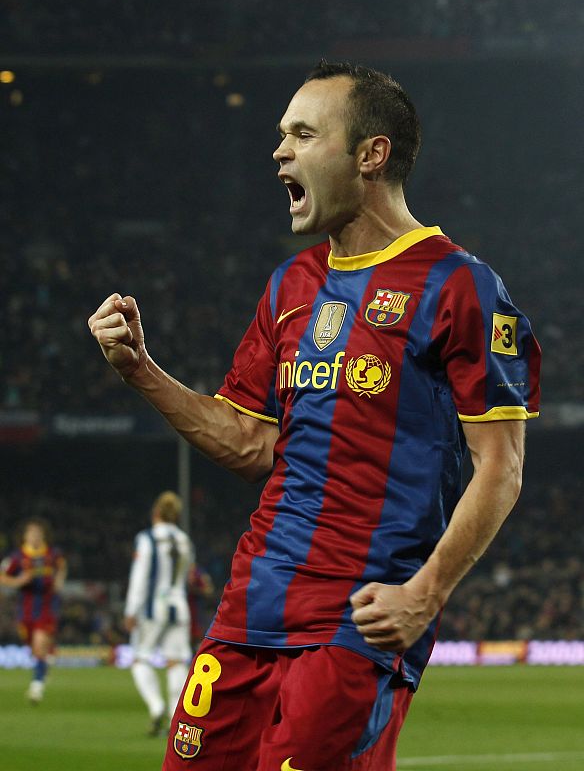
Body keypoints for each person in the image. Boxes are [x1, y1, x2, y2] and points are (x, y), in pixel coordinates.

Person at [88, 60, 541, 770]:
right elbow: (247, 441)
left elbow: (502, 467)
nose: (279, 152)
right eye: (281, 135)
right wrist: (141, 372)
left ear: (370, 154)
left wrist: (424, 595)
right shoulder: (290, 285)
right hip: (249, 610)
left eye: (302, 134)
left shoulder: (459, 285)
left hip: (356, 625)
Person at [124, 491, 194, 736]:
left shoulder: (147, 539)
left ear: (155, 513)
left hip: (154, 608)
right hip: (179, 606)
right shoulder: (185, 540)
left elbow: (140, 577)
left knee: (140, 659)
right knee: (176, 662)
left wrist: (131, 610)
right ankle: (178, 717)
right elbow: (188, 576)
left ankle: (156, 707)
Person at [0, 517, 67, 703]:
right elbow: (2, 577)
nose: (35, 537)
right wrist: (18, 581)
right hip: (26, 608)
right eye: (31, 534)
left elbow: (62, 567)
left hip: (47, 606)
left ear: (43, 535)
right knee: (34, 647)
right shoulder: (18, 557)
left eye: (38, 533)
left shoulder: (52, 554)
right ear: (25, 537)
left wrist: (60, 580)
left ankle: (36, 688)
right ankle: (44, 664)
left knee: (39, 646)